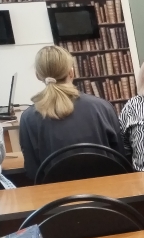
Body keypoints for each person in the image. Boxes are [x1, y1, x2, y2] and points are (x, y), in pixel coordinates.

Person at [19, 44, 128, 181]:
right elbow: (120, 157)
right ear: (71, 73)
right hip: (106, 190)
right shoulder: (102, 107)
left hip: (56, 193)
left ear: (38, 76)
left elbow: (32, 171)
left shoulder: (28, 118)